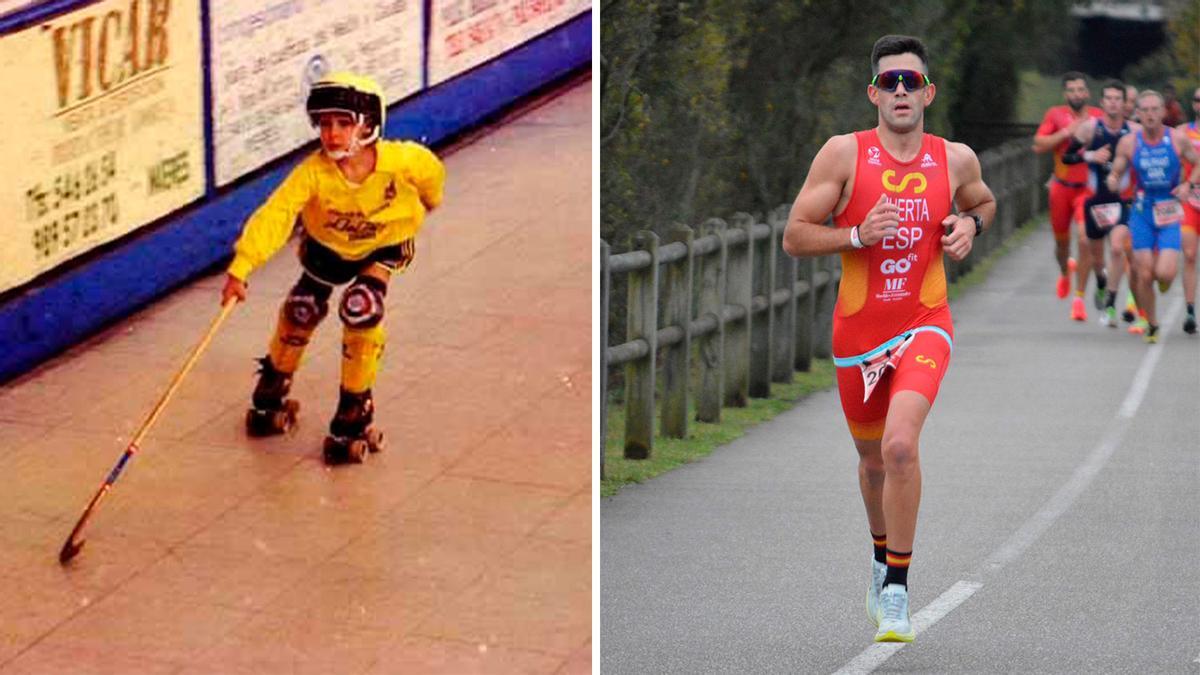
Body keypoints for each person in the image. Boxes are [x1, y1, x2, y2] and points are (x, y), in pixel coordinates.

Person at [782, 35, 995, 643]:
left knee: (902, 446)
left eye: (912, 81)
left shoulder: (954, 159)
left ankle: (898, 591)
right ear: (874, 94)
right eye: (890, 82)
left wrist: (969, 225)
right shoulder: (843, 155)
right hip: (858, 335)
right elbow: (795, 236)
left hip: (925, 322)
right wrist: (853, 236)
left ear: (928, 92)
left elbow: (984, 201)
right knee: (873, 461)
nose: (901, 91)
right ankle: (880, 558)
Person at [219, 72, 446, 462]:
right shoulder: (313, 172)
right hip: (327, 246)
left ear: (370, 124)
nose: (333, 134)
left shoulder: (402, 160)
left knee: (362, 308)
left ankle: (355, 407)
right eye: (324, 124)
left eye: (344, 123)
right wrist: (242, 265)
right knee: (302, 308)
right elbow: (277, 213)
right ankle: (272, 388)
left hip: (384, 244)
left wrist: (429, 203)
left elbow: (432, 178)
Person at [1106, 90, 1200, 343]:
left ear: (1162, 112)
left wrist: (1187, 185)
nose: (1149, 114)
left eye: (1154, 109)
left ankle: (1164, 283)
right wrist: (1113, 180)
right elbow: (1117, 169)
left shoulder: (1177, 138)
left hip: (1169, 209)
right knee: (1144, 272)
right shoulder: (1130, 142)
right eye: (1144, 110)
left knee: (1165, 274)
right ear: (1138, 113)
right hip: (1142, 210)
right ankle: (1152, 323)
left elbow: (1197, 162)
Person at [1060, 80, 1139, 325]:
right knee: (1097, 260)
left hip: (1123, 201)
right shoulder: (1090, 128)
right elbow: (1067, 157)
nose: (1113, 102)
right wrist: (1089, 155)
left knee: (1119, 248)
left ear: (1124, 103)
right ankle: (1102, 283)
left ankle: (1116, 302)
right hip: (1096, 203)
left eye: (1118, 98)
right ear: (1102, 102)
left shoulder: (1134, 131)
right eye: (1109, 98)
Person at [1034, 73, 1103, 303]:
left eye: (1081, 89)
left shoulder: (1097, 116)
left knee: (1085, 239)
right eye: (1072, 90)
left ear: (1087, 93)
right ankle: (1065, 271)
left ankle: (1079, 296)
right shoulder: (1056, 114)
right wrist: (1066, 132)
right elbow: (1039, 144)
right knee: (1061, 244)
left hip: (1088, 190)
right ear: (1066, 94)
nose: (1077, 94)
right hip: (1061, 188)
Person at [1174, 86, 1200, 334]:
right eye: (1197, 100)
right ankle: (1191, 310)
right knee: (1190, 254)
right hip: (1190, 201)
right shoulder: (1182, 133)